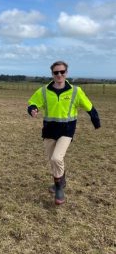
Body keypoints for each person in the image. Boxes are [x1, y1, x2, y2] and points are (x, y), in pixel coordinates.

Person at [27, 61, 101, 205]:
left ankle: (59, 188)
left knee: (56, 158)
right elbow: (32, 103)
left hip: (67, 131)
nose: (59, 75)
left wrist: (96, 122)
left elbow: (89, 107)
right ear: (52, 74)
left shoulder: (75, 91)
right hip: (49, 130)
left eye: (62, 72)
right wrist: (32, 110)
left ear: (66, 73)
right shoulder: (44, 91)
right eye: (56, 72)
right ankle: (62, 179)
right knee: (53, 160)